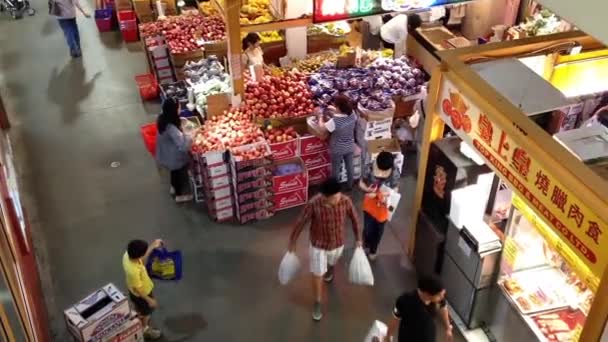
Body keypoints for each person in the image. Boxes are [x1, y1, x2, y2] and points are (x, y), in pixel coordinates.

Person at [288, 178, 362, 321]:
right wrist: (293, 241)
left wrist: (358, 238)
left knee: (333, 261)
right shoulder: (314, 204)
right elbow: (300, 222)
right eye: (334, 197)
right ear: (325, 197)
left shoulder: (345, 201)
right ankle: (317, 302)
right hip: (318, 245)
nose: (338, 198)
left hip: (338, 243)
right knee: (317, 273)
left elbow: (355, 219)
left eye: (338, 194)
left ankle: (331, 267)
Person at [383, 275, 453, 342]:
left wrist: (448, 328)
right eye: (440, 295)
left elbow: (443, 307)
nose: (442, 297)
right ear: (427, 294)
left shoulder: (437, 298)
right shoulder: (406, 300)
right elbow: (395, 319)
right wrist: (388, 336)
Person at [359, 151, 400, 260]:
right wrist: (367, 189)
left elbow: (395, 188)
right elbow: (361, 182)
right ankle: (365, 243)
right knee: (368, 228)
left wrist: (385, 195)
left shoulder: (394, 171)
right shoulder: (369, 168)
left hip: (383, 209)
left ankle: (373, 250)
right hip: (369, 206)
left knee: (378, 231)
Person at [123, 239, 164, 340]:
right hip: (142, 294)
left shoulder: (127, 256)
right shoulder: (133, 271)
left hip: (133, 290)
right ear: (139, 256)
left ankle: (139, 313)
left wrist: (153, 246)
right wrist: (149, 300)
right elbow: (138, 289)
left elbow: (142, 259)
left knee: (140, 308)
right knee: (147, 311)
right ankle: (145, 329)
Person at [156, 98, 193, 203]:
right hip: (172, 156)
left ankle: (173, 187)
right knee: (177, 172)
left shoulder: (162, 118)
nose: (180, 108)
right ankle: (179, 195)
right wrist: (190, 135)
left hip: (165, 152)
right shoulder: (171, 127)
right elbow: (183, 145)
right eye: (178, 107)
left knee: (173, 172)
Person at [318, 95, 357, 190]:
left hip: (337, 149)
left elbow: (322, 128)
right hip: (350, 146)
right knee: (350, 166)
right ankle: (350, 185)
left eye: (335, 105)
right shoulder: (352, 114)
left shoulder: (335, 122)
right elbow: (342, 114)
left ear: (339, 107)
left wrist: (319, 117)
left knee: (335, 169)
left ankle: (335, 189)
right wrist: (332, 109)